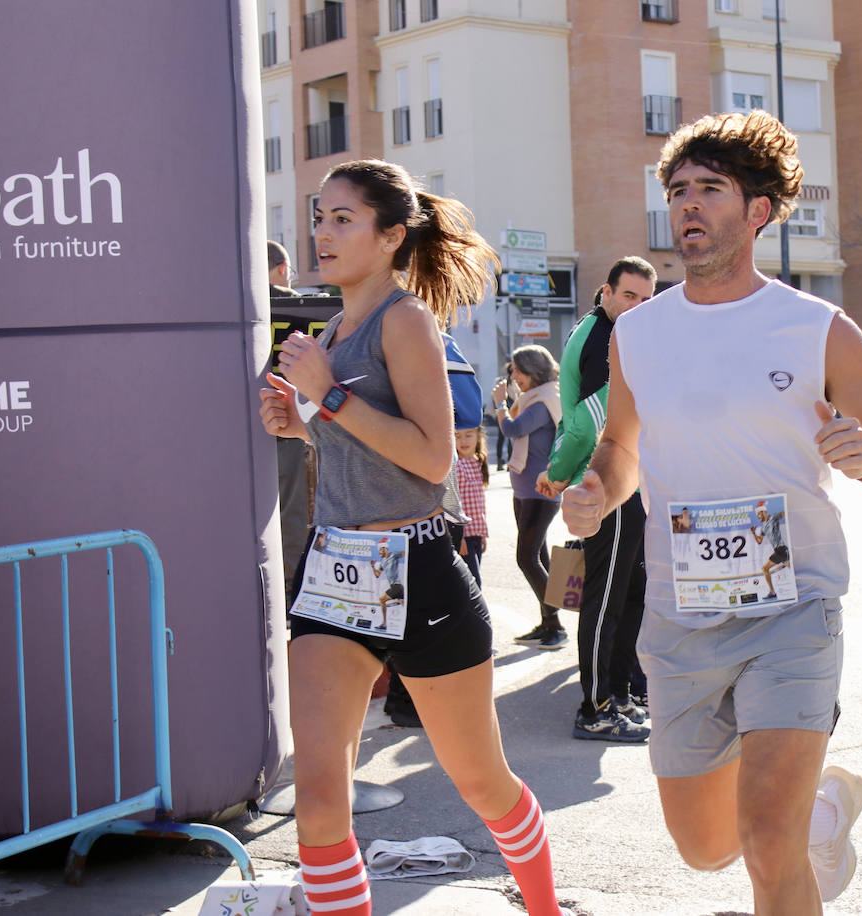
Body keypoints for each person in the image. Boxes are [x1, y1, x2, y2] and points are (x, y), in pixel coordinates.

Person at [561, 111, 862, 911]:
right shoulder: (640, 333)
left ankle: (795, 830)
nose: (687, 206)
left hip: (794, 609)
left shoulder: (815, 326)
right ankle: (820, 811)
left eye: (710, 190)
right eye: (678, 190)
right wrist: (595, 492)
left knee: (766, 843)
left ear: (757, 211)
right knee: (705, 849)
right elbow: (621, 449)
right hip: (681, 614)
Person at [258, 159, 565, 916]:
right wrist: (300, 426)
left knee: (481, 782)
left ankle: (547, 910)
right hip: (334, 570)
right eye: (319, 217)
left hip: (418, 569)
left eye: (342, 219)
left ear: (392, 236)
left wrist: (326, 396)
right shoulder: (332, 327)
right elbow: (354, 447)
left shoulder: (405, 320)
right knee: (320, 796)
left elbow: (433, 458)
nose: (322, 234)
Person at [537, 257, 658, 743]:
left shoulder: (613, 332)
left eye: (647, 300)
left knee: (628, 592)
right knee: (606, 596)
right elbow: (587, 421)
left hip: (618, 481)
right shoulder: (601, 336)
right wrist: (561, 472)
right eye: (629, 296)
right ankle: (596, 708)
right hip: (605, 484)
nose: (637, 308)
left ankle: (620, 695)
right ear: (605, 292)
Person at [494, 345, 567, 650]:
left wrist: (500, 404)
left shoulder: (544, 400)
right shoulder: (531, 399)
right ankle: (549, 623)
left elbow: (513, 428)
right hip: (525, 489)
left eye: (517, 371)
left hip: (541, 490)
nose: (514, 377)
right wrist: (512, 399)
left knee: (526, 557)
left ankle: (557, 624)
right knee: (538, 555)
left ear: (532, 371)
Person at [269, 240, 317, 604]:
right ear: (283, 269)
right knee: (292, 510)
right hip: (291, 427)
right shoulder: (302, 307)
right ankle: (291, 588)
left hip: (239, 427)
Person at [454, 425, 489, 586]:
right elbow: (453, 504)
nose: (463, 440)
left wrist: (482, 534)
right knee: (473, 583)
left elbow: (480, 503)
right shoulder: (455, 466)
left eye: (468, 435)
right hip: (463, 536)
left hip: (476, 533)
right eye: (457, 436)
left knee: (474, 580)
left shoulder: (478, 462)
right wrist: (458, 536)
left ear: (478, 436)